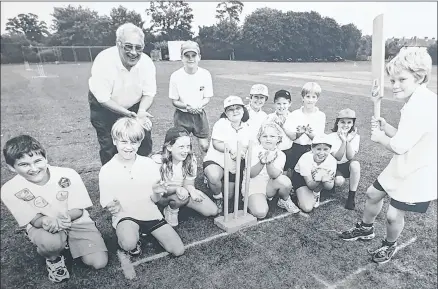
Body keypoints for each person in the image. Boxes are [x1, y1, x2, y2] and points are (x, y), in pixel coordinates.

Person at [340, 47, 437, 264]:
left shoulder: (421, 105)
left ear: (419, 77)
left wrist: (380, 138)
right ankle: (365, 229)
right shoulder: (416, 99)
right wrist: (387, 127)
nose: (394, 86)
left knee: (393, 216)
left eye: (401, 79)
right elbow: (407, 137)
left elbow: (400, 146)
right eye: (392, 80)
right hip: (405, 162)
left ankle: (389, 245)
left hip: (418, 170)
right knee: (373, 194)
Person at [1, 135, 108, 283]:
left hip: (75, 220)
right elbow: (34, 220)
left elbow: (78, 209)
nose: (33, 168)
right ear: (12, 167)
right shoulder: (9, 189)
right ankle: (53, 258)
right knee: (50, 243)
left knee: (98, 262)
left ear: (46, 158)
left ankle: (70, 242)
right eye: (24, 164)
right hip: (45, 227)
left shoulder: (68, 174)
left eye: (38, 161)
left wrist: (66, 217)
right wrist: (46, 220)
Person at [99, 118, 184, 257]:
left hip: (149, 212)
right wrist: (113, 205)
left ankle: (145, 231)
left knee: (178, 250)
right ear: (114, 141)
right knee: (129, 243)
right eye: (124, 142)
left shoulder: (148, 163)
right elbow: (109, 203)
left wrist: (157, 192)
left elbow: (155, 199)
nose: (128, 147)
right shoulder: (107, 169)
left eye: (133, 142)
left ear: (139, 143)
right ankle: (133, 235)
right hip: (125, 215)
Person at [88, 23, 157, 165]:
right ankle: (114, 181)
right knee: (110, 146)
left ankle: (140, 177)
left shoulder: (147, 63)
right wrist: (126, 113)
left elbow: (148, 93)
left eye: (138, 48)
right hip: (105, 108)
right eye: (128, 46)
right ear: (118, 44)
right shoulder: (104, 61)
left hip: (135, 106)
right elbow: (103, 99)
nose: (133, 52)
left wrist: (142, 111)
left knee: (143, 142)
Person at [150, 127, 219, 227]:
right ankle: (170, 210)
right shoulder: (156, 161)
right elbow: (154, 189)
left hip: (182, 192)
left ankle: (178, 203)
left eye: (188, 146)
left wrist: (193, 192)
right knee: (180, 198)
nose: (186, 151)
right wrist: (177, 189)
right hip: (159, 195)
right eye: (181, 147)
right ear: (169, 147)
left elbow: (188, 183)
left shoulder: (190, 159)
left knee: (212, 211)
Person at [203, 95, 251, 212]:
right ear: (225, 112)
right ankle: (217, 196)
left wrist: (242, 153)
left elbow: (246, 146)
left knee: (229, 197)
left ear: (243, 110)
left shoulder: (247, 127)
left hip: (233, 166)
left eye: (238, 108)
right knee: (214, 177)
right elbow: (216, 143)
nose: (235, 111)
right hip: (217, 161)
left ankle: (217, 184)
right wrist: (231, 151)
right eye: (231, 109)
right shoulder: (221, 123)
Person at [243, 122, 300, 219]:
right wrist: (261, 162)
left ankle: (284, 200)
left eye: (272, 136)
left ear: (278, 138)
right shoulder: (253, 150)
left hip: (270, 185)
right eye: (264, 136)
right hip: (253, 185)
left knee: (285, 181)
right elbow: (251, 174)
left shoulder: (281, 154)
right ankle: (252, 200)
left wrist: (269, 163)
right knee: (260, 213)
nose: (268, 139)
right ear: (259, 138)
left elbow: (275, 175)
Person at [168, 41, 213, 153]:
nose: (190, 59)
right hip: (182, 115)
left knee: (204, 146)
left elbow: (207, 97)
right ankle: (184, 168)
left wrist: (199, 105)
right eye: (186, 56)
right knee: (182, 146)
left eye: (194, 55)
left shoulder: (205, 74)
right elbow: (174, 101)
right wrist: (187, 107)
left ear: (199, 57)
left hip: (199, 115)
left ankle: (206, 167)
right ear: (181, 58)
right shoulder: (175, 76)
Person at [285, 82, 326, 184]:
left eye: (313, 97)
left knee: (307, 175)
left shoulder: (320, 115)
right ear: (303, 97)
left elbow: (318, 138)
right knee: (292, 172)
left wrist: (308, 133)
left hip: (311, 149)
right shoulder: (295, 114)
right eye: (308, 96)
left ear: (317, 99)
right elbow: (292, 136)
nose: (310, 100)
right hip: (295, 147)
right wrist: (299, 133)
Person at [293, 134, 337, 212]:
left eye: (326, 149)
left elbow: (329, 187)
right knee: (307, 207)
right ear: (312, 148)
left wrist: (324, 179)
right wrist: (319, 178)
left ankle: (317, 192)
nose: (322, 153)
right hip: (302, 179)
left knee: (326, 183)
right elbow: (310, 184)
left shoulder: (332, 161)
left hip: (318, 180)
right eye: (318, 149)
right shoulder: (305, 158)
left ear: (330, 149)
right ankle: (298, 193)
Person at [327, 108, 361, 210]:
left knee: (355, 165)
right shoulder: (330, 136)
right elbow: (337, 157)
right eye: (342, 122)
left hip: (345, 164)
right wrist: (343, 141)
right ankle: (329, 184)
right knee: (339, 181)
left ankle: (351, 197)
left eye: (349, 122)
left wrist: (348, 141)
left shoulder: (356, 137)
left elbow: (350, 157)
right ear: (337, 123)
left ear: (352, 124)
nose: (346, 125)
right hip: (333, 165)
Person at [265, 89, 295, 175]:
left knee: (285, 174)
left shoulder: (293, 118)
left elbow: (293, 137)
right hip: (273, 150)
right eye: (278, 103)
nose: (281, 106)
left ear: (289, 104)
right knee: (272, 172)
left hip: (287, 150)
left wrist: (283, 126)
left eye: (284, 103)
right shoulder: (270, 118)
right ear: (274, 104)